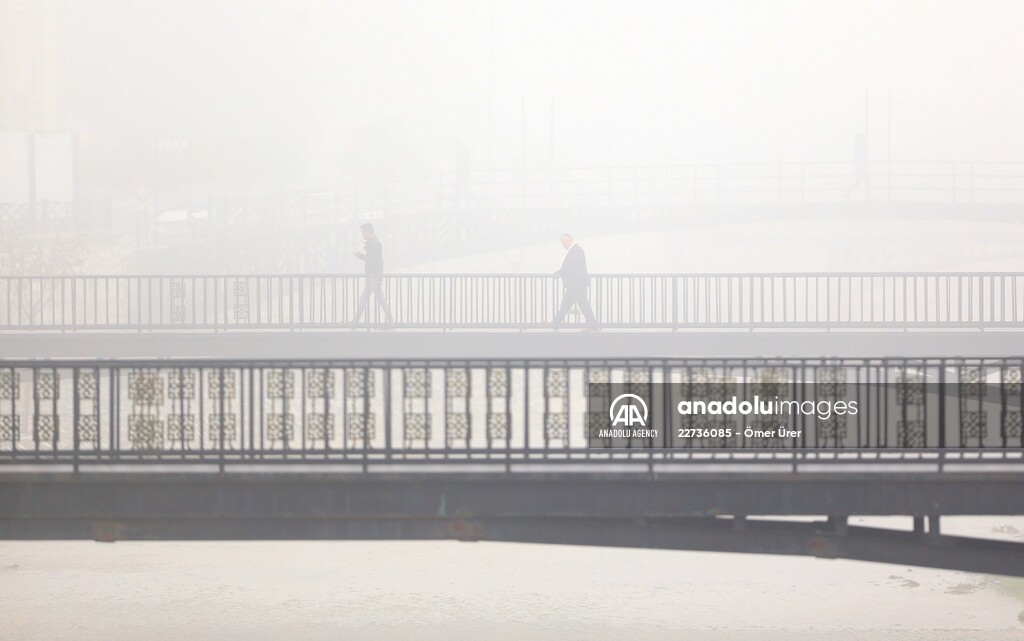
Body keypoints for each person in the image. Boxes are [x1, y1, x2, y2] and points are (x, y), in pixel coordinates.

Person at [352, 223, 395, 324]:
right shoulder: (372, 242)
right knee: (381, 300)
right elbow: (377, 261)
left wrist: (360, 256)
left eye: (362, 231)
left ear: (368, 231)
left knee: (363, 298)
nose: (361, 234)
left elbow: (373, 260)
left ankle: (355, 321)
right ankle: (391, 321)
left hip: (373, 276)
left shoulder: (374, 243)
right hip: (374, 275)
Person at [553, 233, 598, 328]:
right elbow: (569, 267)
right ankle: (555, 323)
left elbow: (568, 267)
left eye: (563, 242)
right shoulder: (576, 250)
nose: (563, 245)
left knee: (581, 305)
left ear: (568, 240)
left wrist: (558, 273)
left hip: (577, 284)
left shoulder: (576, 250)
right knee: (567, 305)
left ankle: (592, 325)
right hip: (575, 284)